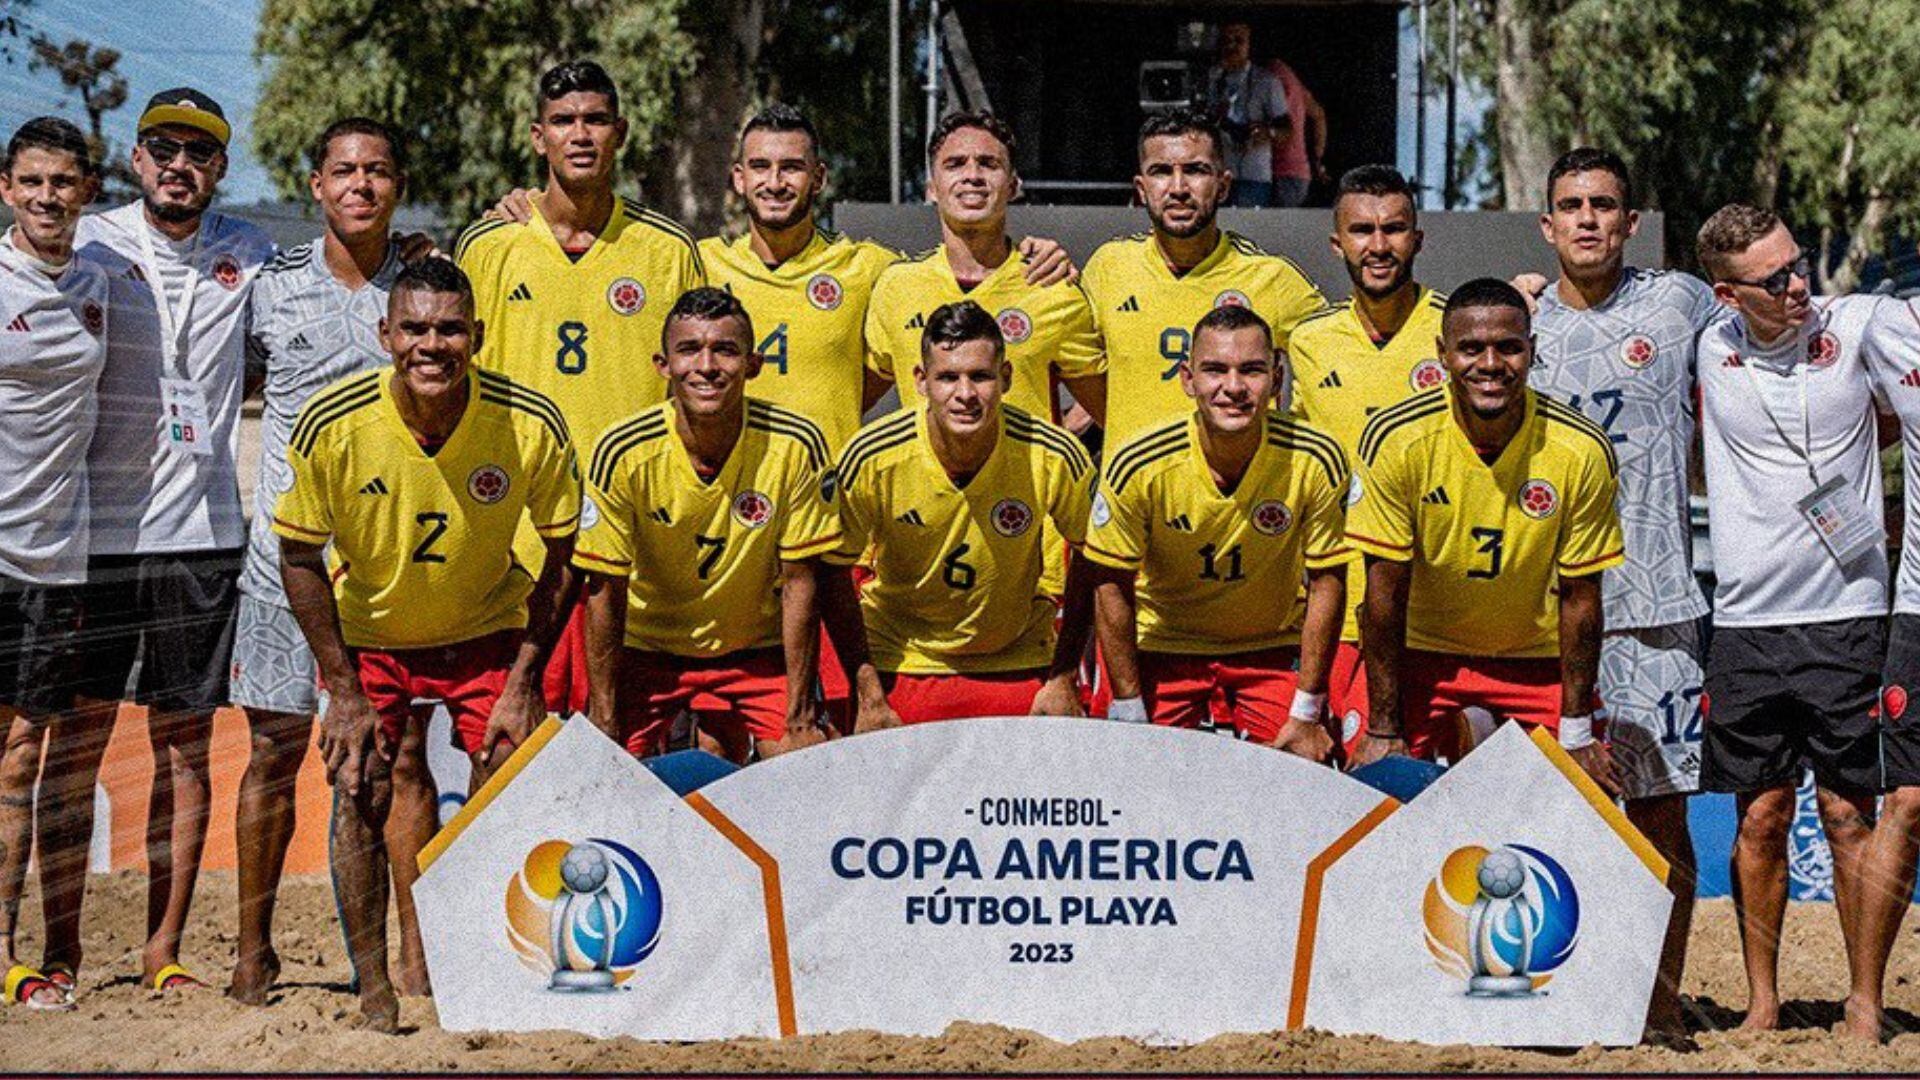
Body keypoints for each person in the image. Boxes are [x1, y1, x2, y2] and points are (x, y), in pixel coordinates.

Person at [274, 257, 580, 1031]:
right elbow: (300, 557)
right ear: (386, 335)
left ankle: (490, 963)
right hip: (374, 634)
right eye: (415, 328)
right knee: (362, 785)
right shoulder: (334, 423)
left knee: (513, 780)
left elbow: (565, 548)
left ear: (476, 337)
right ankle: (378, 983)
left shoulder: (529, 422)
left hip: (485, 629)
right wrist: (342, 691)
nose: (432, 345)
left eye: (449, 329)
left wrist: (524, 678)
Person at [72, 87, 276, 993]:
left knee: (184, 748)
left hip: (201, 535)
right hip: (90, 535)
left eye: (199, 152)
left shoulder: (255, 252)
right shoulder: (86, 241)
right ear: (135, 159)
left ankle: (163, 949)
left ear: (221, 168)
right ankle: (55, 948)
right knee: (71, 745)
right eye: (164, 149)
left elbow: (357, 269)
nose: (179, 166)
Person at [228, 117, 434, 1007]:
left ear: (397, 184)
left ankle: (410, 962)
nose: (361, 185)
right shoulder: (270, 289)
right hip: (284, 573)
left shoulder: (426, 289)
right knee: (272, 758)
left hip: (387, 584)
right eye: (344, 171)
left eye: (378, 171)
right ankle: (250, 949)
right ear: (316, 185)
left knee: (395, 765)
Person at [1526, 147, 1722, 1045]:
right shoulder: (1517, 324)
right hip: (1541, 612)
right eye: (1572, 205)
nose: (1589, 219)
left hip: (1654, 608)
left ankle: (1659, 998)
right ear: (1548, 224)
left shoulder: (1679, 302)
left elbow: (1773, 326)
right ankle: (1552, 993)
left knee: (1659, 815)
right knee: (1548, 812)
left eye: (1605, 204)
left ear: (1632, 222)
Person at [1693, 203, 1892, 1037]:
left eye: (1798, 263)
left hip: (1850, 611)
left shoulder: (1855, 327)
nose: (1797, 285)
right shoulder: (1705, 344)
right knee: (1762, 817)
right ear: (1727, 293)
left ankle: (1864, 1000)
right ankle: (1763, 1001)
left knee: (1851, 815)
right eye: (1775, 280)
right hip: (1746, 623)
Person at [455, 59, 704, 719]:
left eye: (595, 119)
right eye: (564, 121)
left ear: (619, 131)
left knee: (622, 749)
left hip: (632, 547)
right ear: (539, 137)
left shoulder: (667, 249)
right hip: (517, 544)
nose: (581, 134)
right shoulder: (489, 244)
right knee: (509, 754)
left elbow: (701, 392)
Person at [576, 287, 888, 761]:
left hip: (755, 651)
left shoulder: (796, 444)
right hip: (650, 649)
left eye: (724, 350)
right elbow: (604, 588)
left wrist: (800, 713)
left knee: (803, 764)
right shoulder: (622, 450)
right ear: (663, 364)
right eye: (689, 350)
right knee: (606, 772)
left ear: (754, 364)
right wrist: (604, 714)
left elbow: (802, 581)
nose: (706, 366)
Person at [1345, 279, 1624, 788]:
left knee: (1585, 797)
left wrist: (1578, 731)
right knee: (1374, 787)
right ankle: (1461, 736)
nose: (1491, 365)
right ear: (1443, 354)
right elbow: (1383, 593)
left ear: (1532, 351)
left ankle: (1477, 736)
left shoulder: (1580, 448)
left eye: (1509, 348)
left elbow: (1582, 597)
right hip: (1421, 652)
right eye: (1471, 348)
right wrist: (1386, 727)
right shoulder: (1397, 439)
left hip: (1534, 657)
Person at [1084, 304, 1348, 757]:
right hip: (1162, 646)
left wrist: (1305, 712)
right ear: (1188, 379)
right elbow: (1110, 584)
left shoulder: (1316, 458)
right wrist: (1128, 709)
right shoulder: (1138, 463)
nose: (1233, 387)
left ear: (1277, 378)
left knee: (1305, 763)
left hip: (1269, 645)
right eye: (1214, 370)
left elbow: (1327, 582)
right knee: (1130, 769)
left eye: (1251, 370)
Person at [864, 110, 1102, 599]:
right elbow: (846, 403)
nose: (972, 175)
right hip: (918, 544)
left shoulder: (1053, 288)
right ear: (931, 186)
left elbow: (1114, 413)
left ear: (1013, 184)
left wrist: (1062, 435)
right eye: (955, 164)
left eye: (988, 164)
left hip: (1027, 550)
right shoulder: (895, 288)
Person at [831, 301, 1094, 724]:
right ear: (921, 380)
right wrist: (868, 694)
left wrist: (1063, 676)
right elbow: (829, 573)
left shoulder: (1054, 454)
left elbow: (1096, 559)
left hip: (1017, 658)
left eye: (981, 377)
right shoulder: (872, 457)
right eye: (948, 377)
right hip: (900, 659)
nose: (966, 394)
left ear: (1005, 378)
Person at [0, 117, 107, 1011]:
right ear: (7, 190)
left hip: (57, 560)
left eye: (62, 183)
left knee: (21, 763)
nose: (47, 197)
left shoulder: (100, 280)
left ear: (86, 194)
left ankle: (7, 958)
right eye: (31, 181)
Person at [1287, 164, 1448, 754]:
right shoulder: (1309, 340)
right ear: (1338, 243)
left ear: (1417, 239)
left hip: (1437, 617)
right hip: (1338, 613)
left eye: (1393, 229)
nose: (1378, 246)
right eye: (1361, 231)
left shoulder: (1455, 332)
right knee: (1342, 787)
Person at [1081, 108, 1325, 451]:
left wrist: (1294, 440)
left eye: (1195, 171)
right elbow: (1074, 367)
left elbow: (1339, 359)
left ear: (1223, 185)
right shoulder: (1108, 268)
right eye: (1161, 172)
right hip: (1133, 497)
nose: (1178, 187)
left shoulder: (1273, 279)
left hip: (1237, 500)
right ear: (1141, 187)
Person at [698, 104, 899, 453]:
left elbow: (950, 279)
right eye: (760, 167)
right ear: (739, 178)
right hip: (728, 494)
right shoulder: (701, 265)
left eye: (791, 168)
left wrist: (1026, 256)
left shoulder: (867, 268)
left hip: (823, 495)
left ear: (818, 179)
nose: (775, 183)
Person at [1200, 22, 1290, 209]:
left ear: (1249, 45)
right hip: (1218, 173)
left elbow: (1287, 130)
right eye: (1226, 41)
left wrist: (1268, 132)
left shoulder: (1266, 81)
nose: (1231, 46)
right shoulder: (1212, 79)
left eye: (1238, 41)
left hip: (1253, 174)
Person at [1264, 55, 1327, 208]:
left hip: (1280, 171)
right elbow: (1318, 115)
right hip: (1299, 172)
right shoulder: (1293, 80)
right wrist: (1317, 158)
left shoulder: (1269, 77)